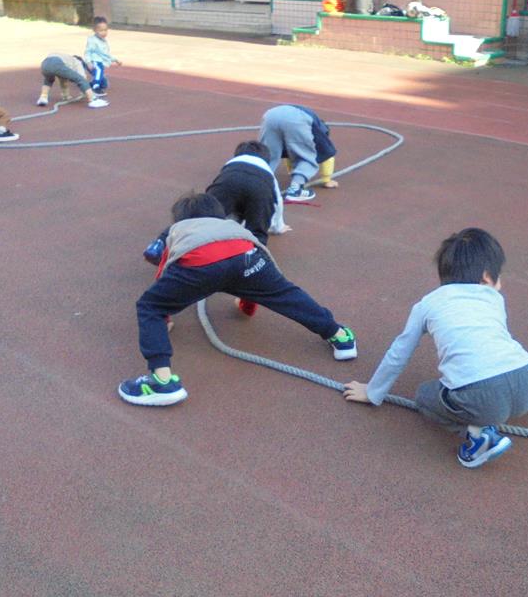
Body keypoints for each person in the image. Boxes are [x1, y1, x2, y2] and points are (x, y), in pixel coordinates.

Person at [342, 228, 528, 468]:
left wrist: (374, 392)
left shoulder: (427, 304)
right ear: (488, 279)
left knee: (425, 396)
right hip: (525, 377)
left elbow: (399, 352)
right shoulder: (494, 298)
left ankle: (479, 435)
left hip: (481, 400)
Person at [118, 192, 357, 406]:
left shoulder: (177, 230)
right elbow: (263, 284)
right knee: (286, 295)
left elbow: (164, 274)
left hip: (200, 265)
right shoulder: (231, 226)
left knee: (149, 306)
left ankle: (161, 381)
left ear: (179, 218)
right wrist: (247, 306)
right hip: (247, 257)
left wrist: (164, 315)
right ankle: (339, 336)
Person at [141, 140, 291, 315]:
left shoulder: (231, 165)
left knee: (198, 217)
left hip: (229, 182)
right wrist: (278, 226)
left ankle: (159, 243)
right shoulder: (267, 173)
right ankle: (248, 301)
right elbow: (277, 204)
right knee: (257, 235)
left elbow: (219, 190)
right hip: (260, 188)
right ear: (266, 159)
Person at [258, 104, 337, 203]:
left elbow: (288, 154)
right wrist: (327, 179)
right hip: (296, 119)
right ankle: (296, 189)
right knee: (306, 156)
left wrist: (292, 170)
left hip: (271, 115)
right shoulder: (319, 129)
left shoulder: (309, 116)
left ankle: (257, 182)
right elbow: (326, 153)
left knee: (268, 153)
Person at [35, 53, 109, 108]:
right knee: (80, 79)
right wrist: (86, 92)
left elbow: (63, 80)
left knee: (49, 80)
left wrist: (66, 96)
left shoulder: (66, 59)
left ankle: (43, 97)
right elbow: (82, 78)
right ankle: (92, 100)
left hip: (45, 64)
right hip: (57, 62)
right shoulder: (77, 62)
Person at [84, 16, 122, 95]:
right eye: (101, 30)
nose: (104, 32)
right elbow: (87, 52)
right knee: (98, 71)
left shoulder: (103, 41)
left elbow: (105, 54)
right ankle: (95, 88)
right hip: (95, 61)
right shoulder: (92, 40)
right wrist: (88, 62)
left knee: (104, 84)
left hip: (100, 62)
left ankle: (91, 85)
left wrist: (115, 60)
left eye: (105, 30)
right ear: (94, 30)